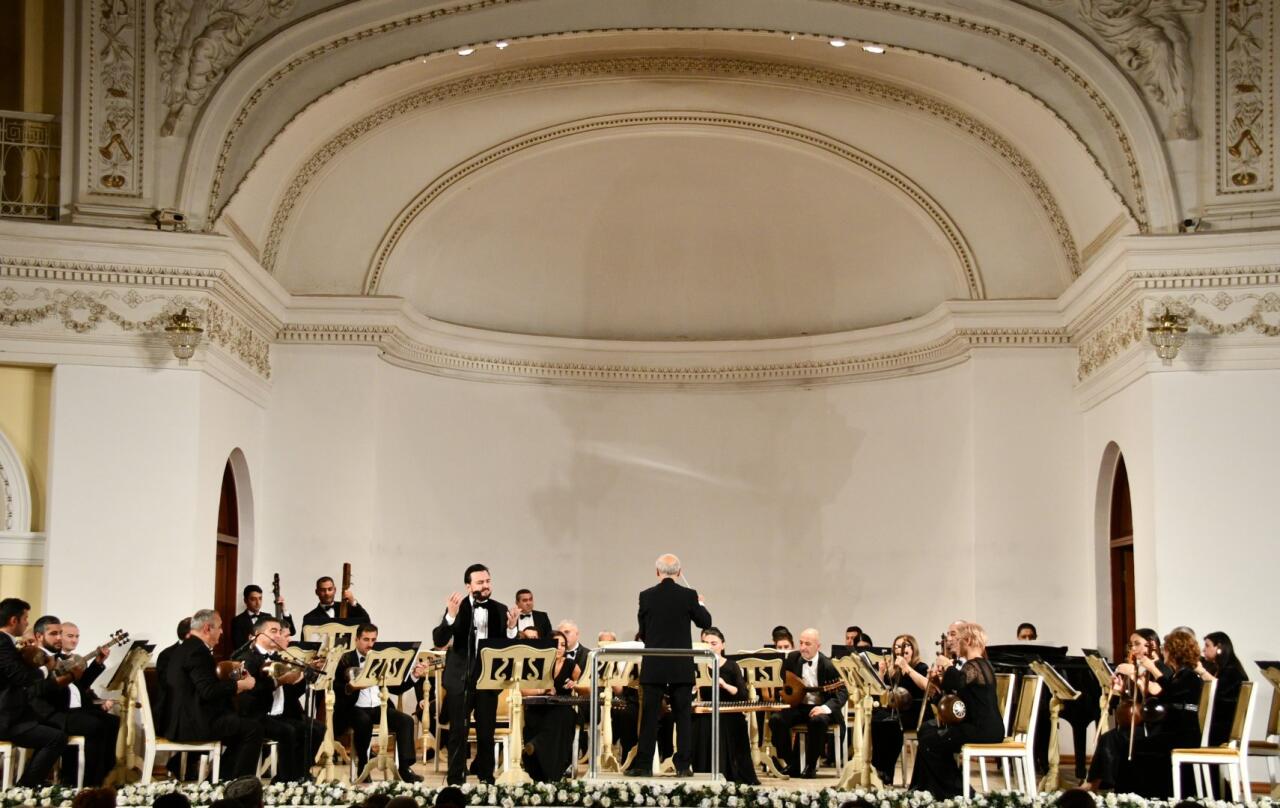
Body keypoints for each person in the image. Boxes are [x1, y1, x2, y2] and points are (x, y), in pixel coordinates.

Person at [1086, 630, 1203, 796]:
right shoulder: (1179, 675)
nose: (1163, 652)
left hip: (1183, 735)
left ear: (1175, 651)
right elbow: (1167, 692)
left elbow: (1167, 691)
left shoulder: (1190, 676)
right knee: (1131, 745)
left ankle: (1138, 795)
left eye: (1166, 649)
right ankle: (1131, 795)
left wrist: (1150, 669)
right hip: (1174, 732)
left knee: (1133, 746)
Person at [432, 563, 519, 784]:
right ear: (468, 586)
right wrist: (450, 617)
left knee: (486, 732)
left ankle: (486, 778)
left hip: (487, 678)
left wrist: (511, 628)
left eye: (488, 581)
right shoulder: (458, 607)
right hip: (460, 677)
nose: (486, 585)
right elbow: (439, 640)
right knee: (458, 732)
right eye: (480, 582)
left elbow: (507, 648)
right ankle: (455, 779)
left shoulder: (499, 609)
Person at [627, 553, 712, 777]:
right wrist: (700, 603)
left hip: (654, 663)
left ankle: (644, 765)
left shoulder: (645, 596)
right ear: (680, 572)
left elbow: (643, 632)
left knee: (649, 716)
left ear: (657, 573)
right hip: (680, 665)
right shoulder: (689, 595)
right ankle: (683, 766)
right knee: (683, 716)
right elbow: (706, 623)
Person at [163, 608, 263, 778]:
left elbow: (201, 686)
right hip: (191, 722)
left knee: (240, 726)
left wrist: (232, 682)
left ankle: (222, 777)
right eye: (220, 627)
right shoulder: (197, 651)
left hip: (181, 718)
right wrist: (239, 685)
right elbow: (208, 691)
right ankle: (235, 783)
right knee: (253, 729)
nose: (222, 631)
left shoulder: (186, 648)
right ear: (207, 628)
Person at [909, 620, 1004, 797]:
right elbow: (956, 698)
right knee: (927, 730)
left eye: (958, 639)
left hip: (983, 729)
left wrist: (947, 665)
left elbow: (957, 682)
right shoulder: (978, 665)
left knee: (930, 743)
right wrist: (937, 685)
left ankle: (960, 793)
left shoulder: (976, 665)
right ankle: (924, 788)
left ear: (967, 640)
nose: (955, 644)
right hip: (978, 726)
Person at [29, 615, 118, 786]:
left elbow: (80, 685)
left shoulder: (59, 659)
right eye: (55, 634)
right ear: (39, 636)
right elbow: (38, 691)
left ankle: (106, 775)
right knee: (95, 725)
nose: (58, 638)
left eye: (60, 633)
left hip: (71, 709)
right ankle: (85, 782)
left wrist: (97, 663)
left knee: (112, 721)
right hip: (53, 712)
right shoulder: (36, 657)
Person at [335, 623, 426, 782]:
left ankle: (404, 768)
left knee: (406, 721)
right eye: (366, 639)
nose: (370, 644)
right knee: (363, 721)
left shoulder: (381, 657)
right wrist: (351, 687)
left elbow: (397, 688)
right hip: (354, 708)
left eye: (373, 640)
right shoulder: (345, 658)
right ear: (356, 639)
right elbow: (336, 687)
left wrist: (414, 676)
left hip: (379, 707)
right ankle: (363, 767)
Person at [235, 616, 322, 782]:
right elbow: (249, 691)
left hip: (279, 711)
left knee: (315, 729)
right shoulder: (247, 658)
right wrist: (277, 682)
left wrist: (307, 674)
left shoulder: (277, 657)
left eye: (278, 631)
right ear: (257, 634)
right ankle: (285, 780)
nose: (277, 635)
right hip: (257, 714)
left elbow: (291, 692)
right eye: (272, 631)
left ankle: (300, 773)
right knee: (288, 731)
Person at [0, 597, 68, 786]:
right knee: (56, 738)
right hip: (6, 718)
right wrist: (47, 669)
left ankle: (31, 783)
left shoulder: (7, 642)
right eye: (25, 619)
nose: (27, 623)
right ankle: (26, 787)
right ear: (14, 620)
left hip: (13, 714)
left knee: (55, 730)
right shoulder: (2, 642)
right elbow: (20, 677)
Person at [768, 628, 847, 778]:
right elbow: (783, 683)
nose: (803, 647)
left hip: (821, 708)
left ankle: (811, 765)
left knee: (817, 721)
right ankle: (792, 763)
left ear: (818, 646)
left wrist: (824, 708)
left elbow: (842, 692)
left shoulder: (828, 665)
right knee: (776, 720)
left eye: (808, 644)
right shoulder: (792, 658)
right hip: (799, 706)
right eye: (801, 643)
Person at [690, 627, 758, 784]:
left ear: (722, 645)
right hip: (706, 711)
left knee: (727, 723)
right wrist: (694, 688)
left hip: (729, 712)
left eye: (713, 643)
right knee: (698, 722)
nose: (710, 646)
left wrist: (725, 685)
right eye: (705, 643)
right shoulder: (697, 666)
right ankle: (702, 771)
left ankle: (730, 773)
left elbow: (742, 695)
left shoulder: (732, 666)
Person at [520, 629, 580, 781]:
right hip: (539, 708)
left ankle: (536, 745)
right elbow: (524, 691)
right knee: (536, 719)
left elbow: (588, 687)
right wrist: (542, 689)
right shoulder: (538, 663)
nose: (560, 648)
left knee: (561, 717)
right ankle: (541, 767)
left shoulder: (571, 665)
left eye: (563, 644)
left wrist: (576, 685)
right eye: (556, 644)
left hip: (562, 709)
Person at [871, 633, 929, 784]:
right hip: (897, 710)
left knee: (892, 723)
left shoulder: (921, 667)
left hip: (916, 712)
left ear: (913, 648)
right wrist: (882, 674)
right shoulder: (894, 671)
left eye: (905, 646)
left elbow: (927, 687)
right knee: (877, 719)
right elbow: (883, 693)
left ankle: (887, 771)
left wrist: (907, 668)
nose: (900, 649)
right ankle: (878, 767)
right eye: (897, 646)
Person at [1199, 630, 1248, 796]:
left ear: (1219, 648)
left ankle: (1210, 793)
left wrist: (1202, 673)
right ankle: (1211, 791)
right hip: (1219, 725)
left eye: (1207, 646)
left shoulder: (1232, 670)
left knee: (1190, 737)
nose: (1203, 650)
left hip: (1225, 729)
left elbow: (1219, 692)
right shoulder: (1218, 669)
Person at [301, 576, 369, 627]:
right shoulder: (309, 617)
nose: (327, 593)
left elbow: (366, 621)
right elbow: (305, 643)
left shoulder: (347, 608)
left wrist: (352, 601)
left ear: (335, 590)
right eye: (323, 590)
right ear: (317, 592)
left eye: (330, 589)